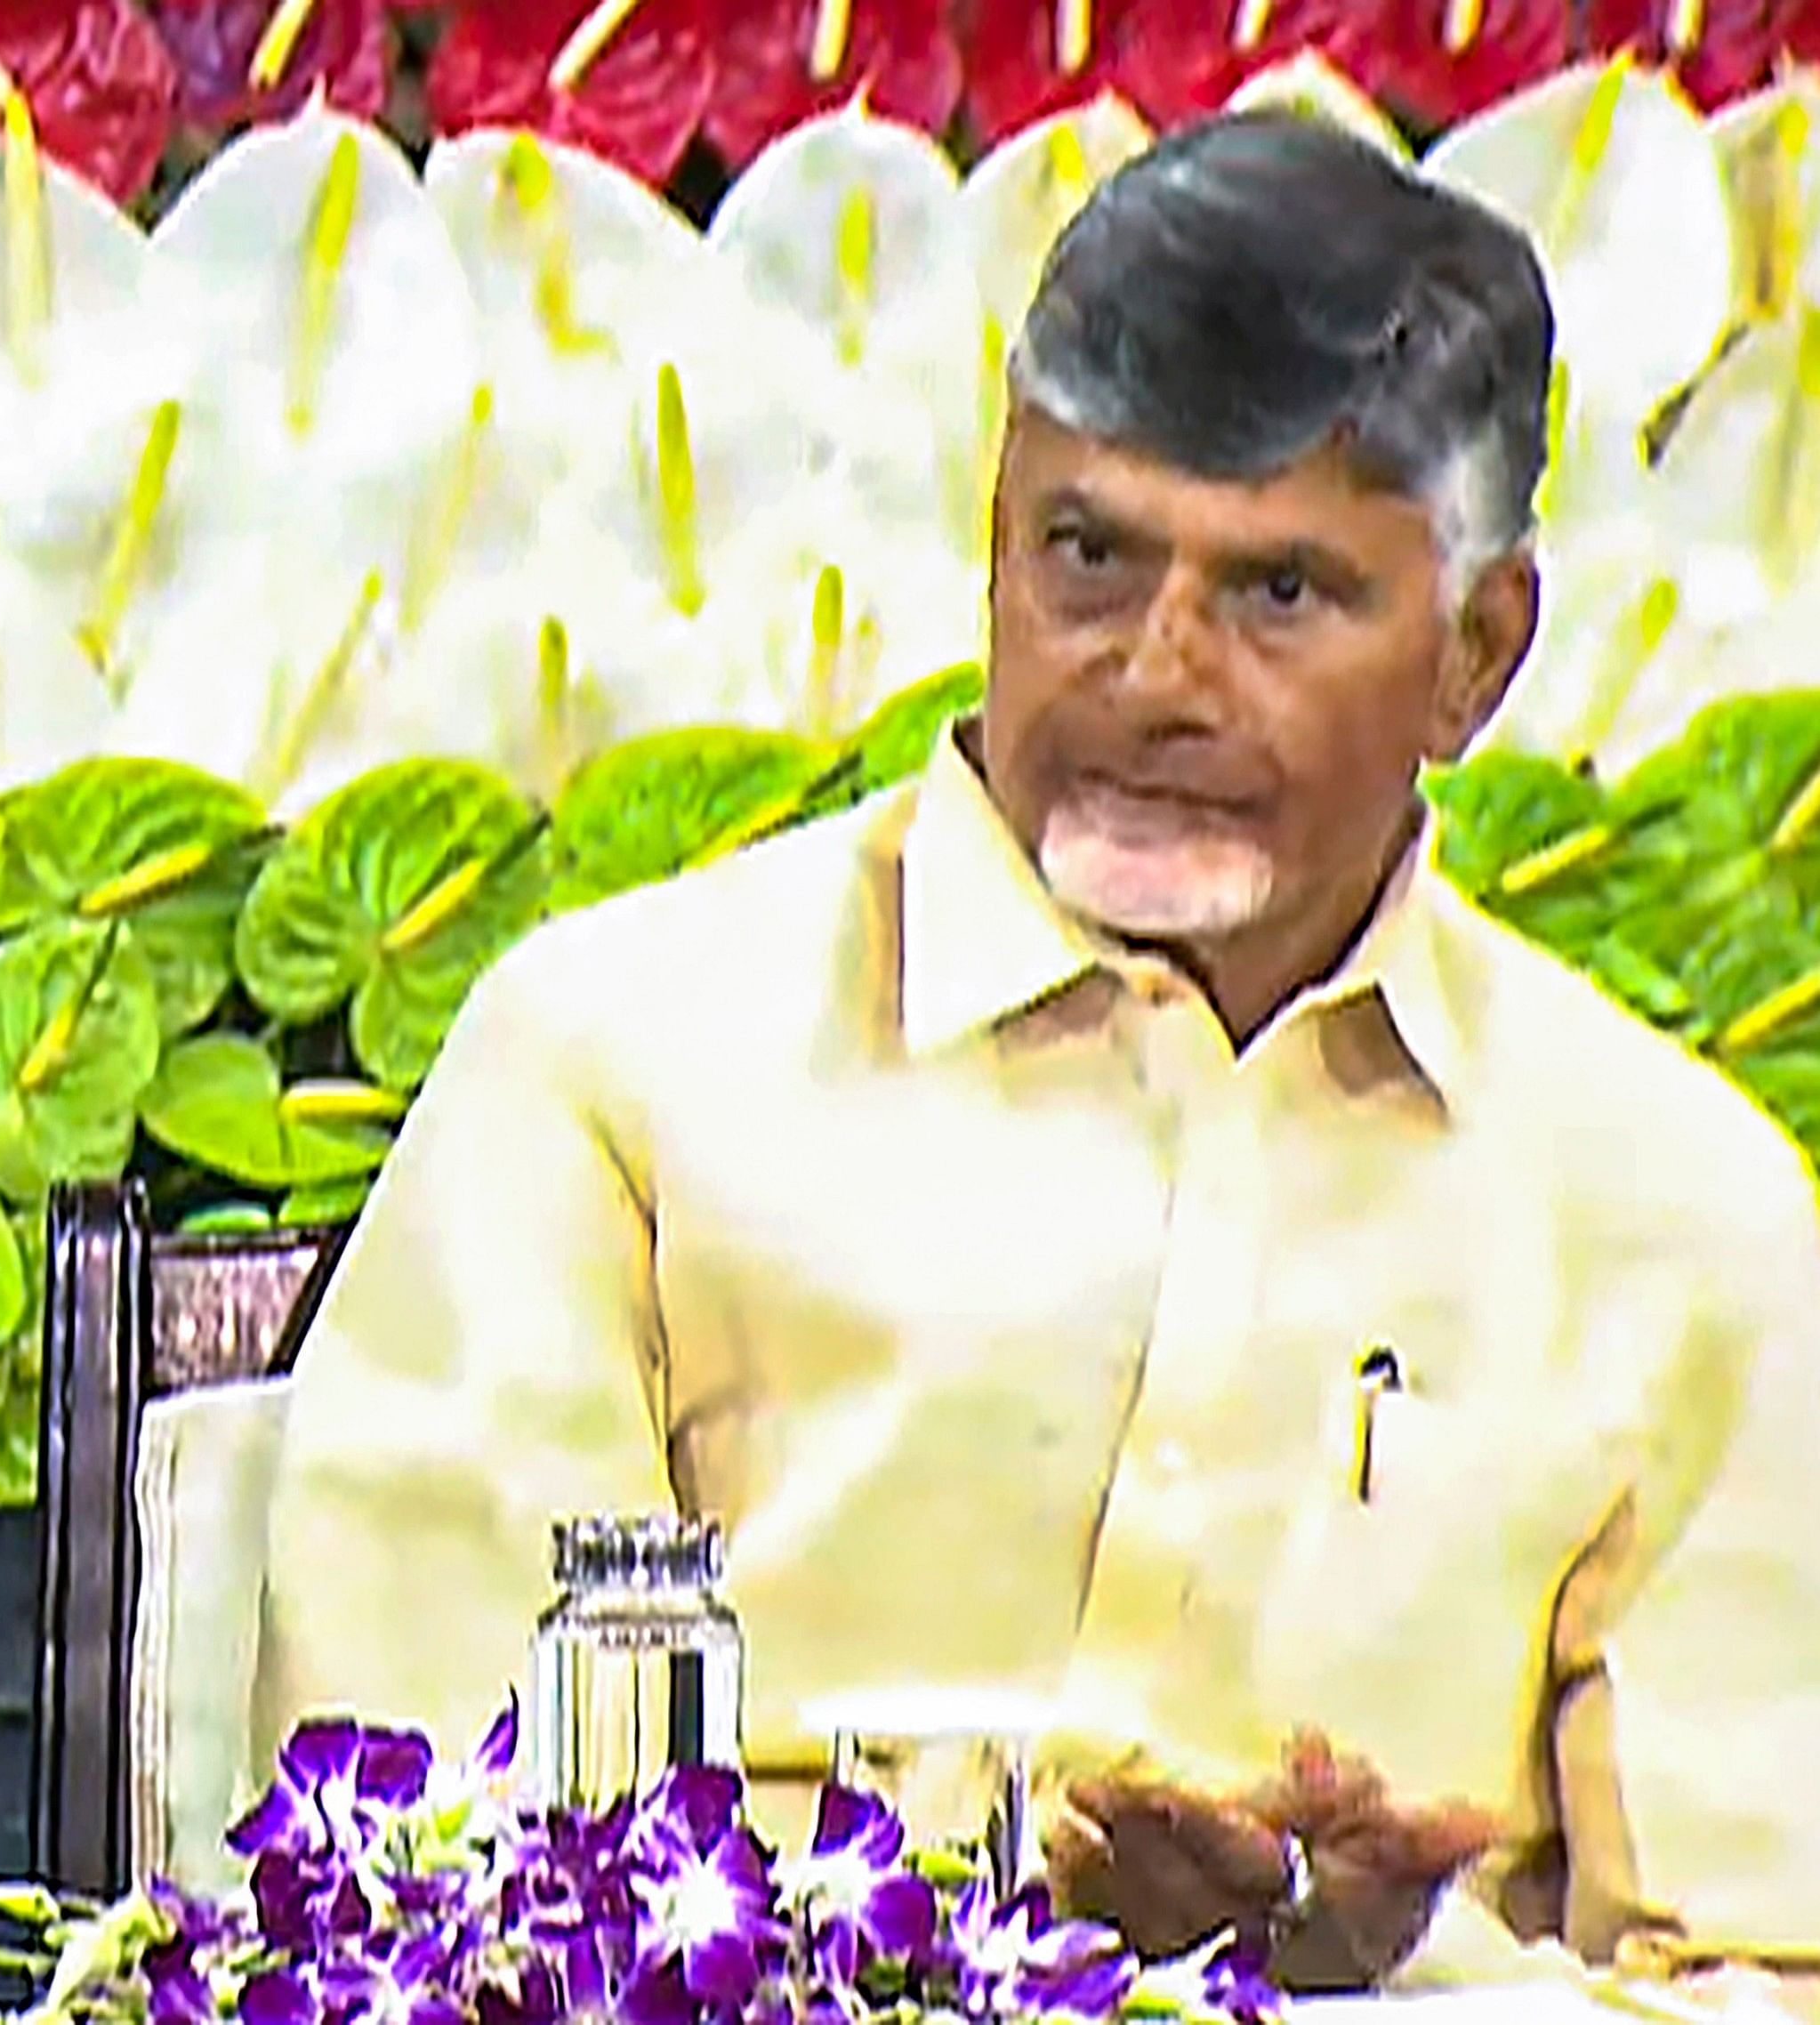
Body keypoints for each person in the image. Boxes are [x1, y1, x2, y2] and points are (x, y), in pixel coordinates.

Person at [253, 112, 1820, 1993]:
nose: (1153, 673)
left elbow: (1758, 1971)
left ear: (1478, 653)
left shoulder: (1681, 1218)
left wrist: (1378, 1979)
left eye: (1277, 594)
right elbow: (399, 1883)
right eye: (1087, 554)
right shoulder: (613, 1070)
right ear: (990, 540)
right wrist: (986, 1894)